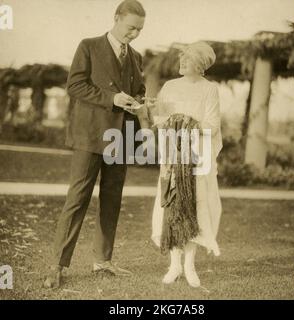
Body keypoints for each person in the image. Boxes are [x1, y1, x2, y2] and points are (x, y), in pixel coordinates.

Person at [44, 0, 146, 288]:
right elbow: (75, 85)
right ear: (116, 18)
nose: (134, 34)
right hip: (90, 135)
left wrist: (139, 101)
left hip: (121, 138)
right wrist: (111, 98)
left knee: (112, 199)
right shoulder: (88, 45)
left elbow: (139, 89)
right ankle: (58, 266)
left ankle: (103, 262)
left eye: (139, 30)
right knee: (77, 199)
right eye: (130, 28)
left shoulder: (137, 57)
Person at [151, 41, 222, 287]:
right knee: (172, 206)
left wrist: (186, 122)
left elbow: (212, 126)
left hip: (196, 158)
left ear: (201, 64)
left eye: (188, 59)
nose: (182, 62)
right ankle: (174, 266)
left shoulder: (209, 90)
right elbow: (159, 119)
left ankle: (190, 266)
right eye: (182, 58)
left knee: (193, 208)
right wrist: (168, 121)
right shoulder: (169, 87)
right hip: (172, 156)